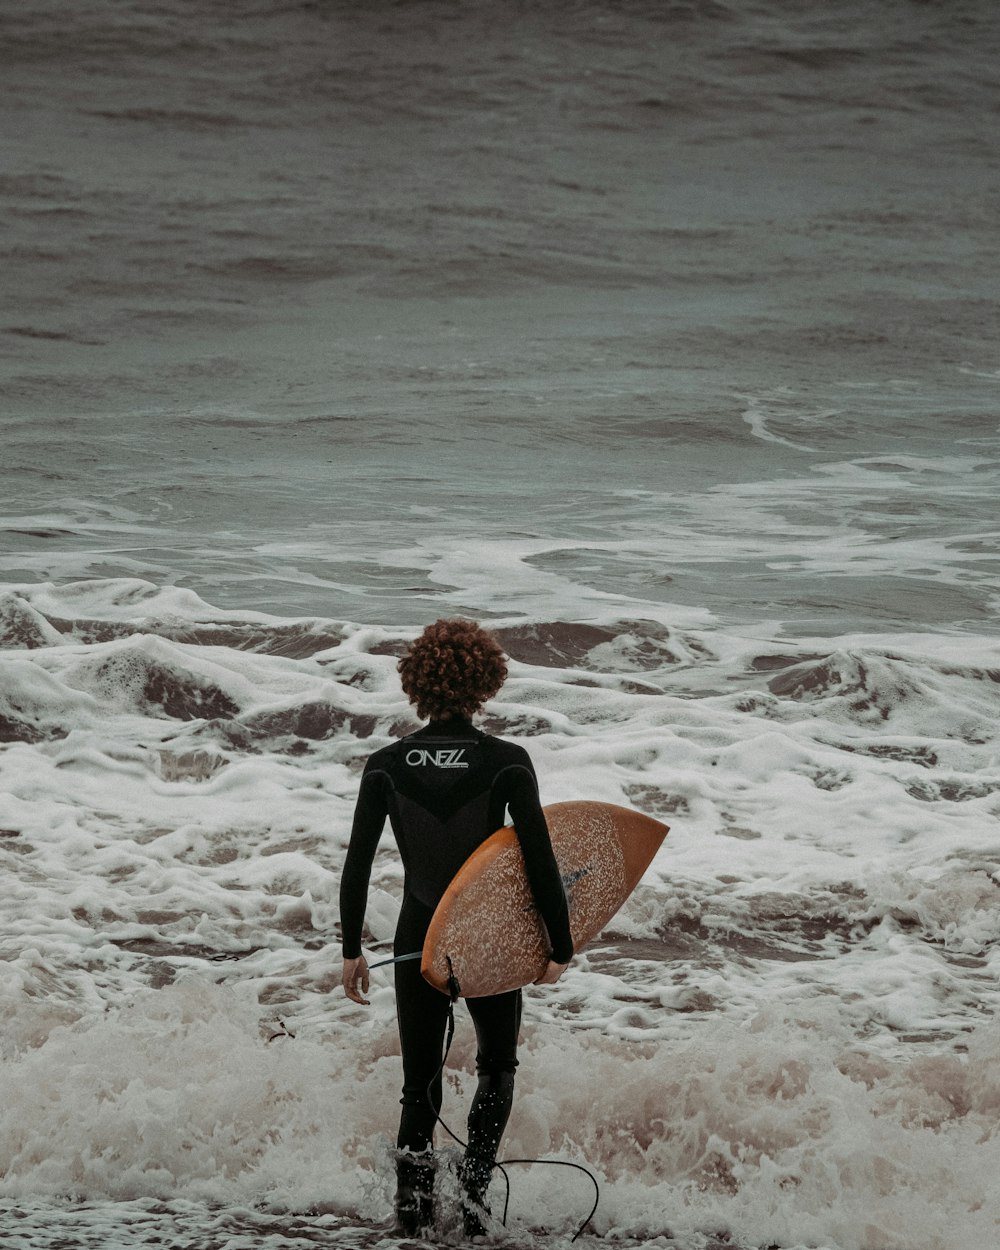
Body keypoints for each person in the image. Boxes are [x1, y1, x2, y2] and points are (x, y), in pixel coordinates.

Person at [340, 618, 573, 1237]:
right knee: (497, 1065)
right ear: (485, 683)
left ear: (417, 683)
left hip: (418, 931)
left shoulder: (386, 764)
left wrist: (349, 950)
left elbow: (357, 863)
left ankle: (411, 1219)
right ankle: (472, 1206)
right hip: (487, 934)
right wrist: (559, 943)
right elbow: (539, 858)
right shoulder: (506, 762)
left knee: (418, 1085)